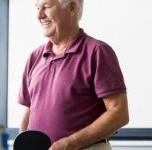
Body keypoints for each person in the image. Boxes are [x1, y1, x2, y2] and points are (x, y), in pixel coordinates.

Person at [18, 0, 129, 149]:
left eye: (46, 7)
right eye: (37, 8)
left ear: (71, 8)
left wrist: (70, 143)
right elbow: (29, 110)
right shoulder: (34, 57)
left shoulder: (97, 52)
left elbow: (119, 113)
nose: (39, 15)